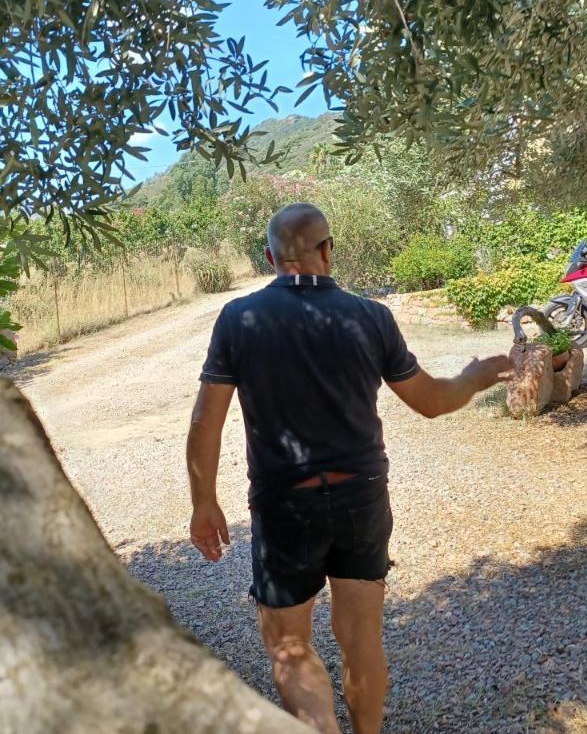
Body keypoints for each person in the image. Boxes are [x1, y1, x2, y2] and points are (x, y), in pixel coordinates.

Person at [186, 202, 511, 734]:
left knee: (291, 646)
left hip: (283, 504)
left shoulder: (239, 319)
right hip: (362, 495)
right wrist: (474, 377)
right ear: (328, 251)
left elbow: (206, 422)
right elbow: (429, 400)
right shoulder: (371, 316)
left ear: (270, 258)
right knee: (361, 639)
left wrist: (204, 501)